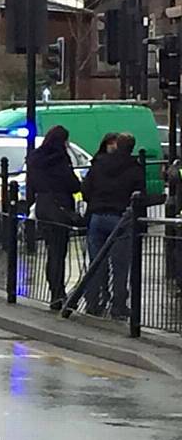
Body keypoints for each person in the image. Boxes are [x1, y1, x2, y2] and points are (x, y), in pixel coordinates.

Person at [82, 133, 145, 319]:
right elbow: (140, 197)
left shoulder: (99, 163)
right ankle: (118, 306)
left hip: (97, 216)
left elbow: (85, 189)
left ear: (117, 145)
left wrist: (95, 201)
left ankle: (93, 302)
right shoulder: (134, 168)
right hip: (121, 218)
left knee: (95, 263)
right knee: (120, 265)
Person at [27, 125, 81, 310]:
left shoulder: (35, 158)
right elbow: (73, 184)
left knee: (52, 251)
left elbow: (31, 185)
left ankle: (55, 291)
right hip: (60, 208)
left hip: (43, 207)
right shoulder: (60, 159)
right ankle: (58, 294)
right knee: (59, 253)